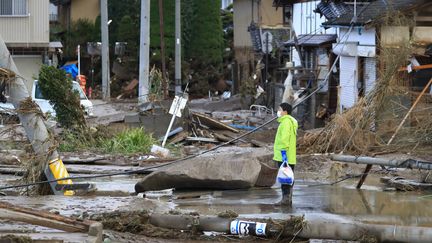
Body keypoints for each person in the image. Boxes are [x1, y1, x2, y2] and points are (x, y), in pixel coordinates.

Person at [273, 102, 298, 206]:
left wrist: (283, 155)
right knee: (288, 177)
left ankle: (285, 200)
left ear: (285, 111)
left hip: (284, 156)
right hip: (289, 156)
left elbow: (284, 140)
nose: (278, 111)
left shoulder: (286, 122)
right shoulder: (290, 121)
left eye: (280, 109)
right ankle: (288, 199)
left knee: (285, 178)